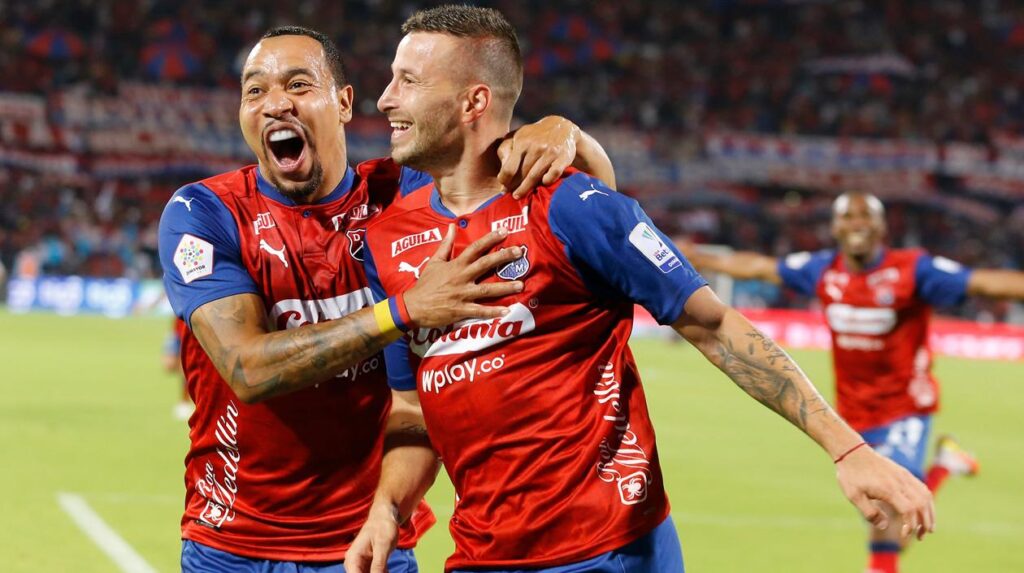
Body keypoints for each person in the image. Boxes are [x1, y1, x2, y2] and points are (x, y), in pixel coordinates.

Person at [348, 6, 935, 573]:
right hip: (481, 555)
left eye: (408, 81)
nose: (385, 99)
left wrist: (847, 448)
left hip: (610, 548)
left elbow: (713, 326)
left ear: (474, 101)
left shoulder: (573, 206)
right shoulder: (387, 238)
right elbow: (412, 407)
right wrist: (387, 509)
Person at [157, 25, 616, 573]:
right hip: (233, 544)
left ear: (344, 103)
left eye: (299, 85)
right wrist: (404, 311)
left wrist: (568, 135)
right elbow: (245, 368)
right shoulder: (204, 213)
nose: (275, 103)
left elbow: (589, 203)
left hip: (374, 541)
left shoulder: (406, 194)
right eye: (254, 91)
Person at [681, 191, 1024, 573]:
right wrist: (701, 259)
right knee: (886, 513)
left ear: (881, 227)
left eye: (866, 215)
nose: (857, 222)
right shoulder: (823, 270)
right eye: (848, 216)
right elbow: (761, 267)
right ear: (835, 227)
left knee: (889, 507)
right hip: (853, 413)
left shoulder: (912, 270)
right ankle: (945, 465)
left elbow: (984, 283)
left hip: (904, 408)